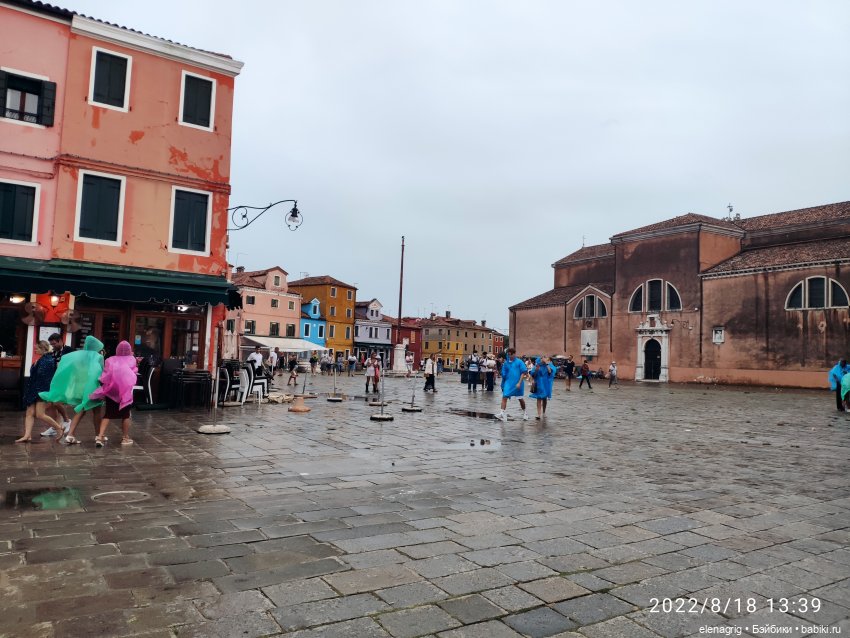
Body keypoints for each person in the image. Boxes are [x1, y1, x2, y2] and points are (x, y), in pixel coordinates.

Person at [40, 335, 105, 445]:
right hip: (93, 388)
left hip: (80, 388)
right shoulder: (97, 356)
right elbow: (100, 373)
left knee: (81, 410)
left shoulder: (78, 356)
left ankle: (71, 435)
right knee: (97, 411)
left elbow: (69, 367)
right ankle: (98, 435)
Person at [89, 340, 137, 446]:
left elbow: (105, 374)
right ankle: (125, 438)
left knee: (108, 414)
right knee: (125, 415)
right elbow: (133, 372)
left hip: (111, 391)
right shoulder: (131, 359)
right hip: (125, 392)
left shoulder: (110, 360)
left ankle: (100, 436)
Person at [16, 341, 62, 443]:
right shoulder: (42, 359)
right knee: (29, 413)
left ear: (43, 348)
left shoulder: (48, 360)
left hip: (41, 390)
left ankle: (59, 428)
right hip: (33, 390)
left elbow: (45, 377)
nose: (35, 350)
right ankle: (27, 435)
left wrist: (41, 392)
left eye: (36, 348)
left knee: (40, 414)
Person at [495, 348, 529, 422]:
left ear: (514, 354)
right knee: (504, 396)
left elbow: (523, 372)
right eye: (508, 354)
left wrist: (519, 383)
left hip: (517, 383)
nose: (509, 356)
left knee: (520, 399)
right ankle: (502, 414)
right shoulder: (506, 363)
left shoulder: (519, 362)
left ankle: (525, 412)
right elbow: (504, 374)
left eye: (511, 354)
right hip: (508, 383)